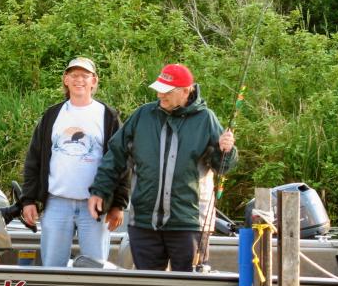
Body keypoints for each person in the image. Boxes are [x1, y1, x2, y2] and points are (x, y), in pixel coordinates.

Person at [87, 63, 237, 271]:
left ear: (186, 91)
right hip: (144, 223)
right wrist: (100, 191)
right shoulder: (143, 115)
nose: (160, 95)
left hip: (190, 223)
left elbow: (223, 167)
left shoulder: (206, 119)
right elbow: (115, 155)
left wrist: (226, 150)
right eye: (158, 89)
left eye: (166, 91)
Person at [20, 57, 130, 267]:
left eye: (85, 75)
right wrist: (28, 200)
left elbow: (122, 163)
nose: (79, 80)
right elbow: (33, 159)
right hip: (56, 203)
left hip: (95, 206)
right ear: (66, 80)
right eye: (74, 75)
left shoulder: (109, 116)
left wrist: (118, 204)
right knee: (52, 267)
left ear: (94, 81)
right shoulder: (52, 115)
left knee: (96, 269)